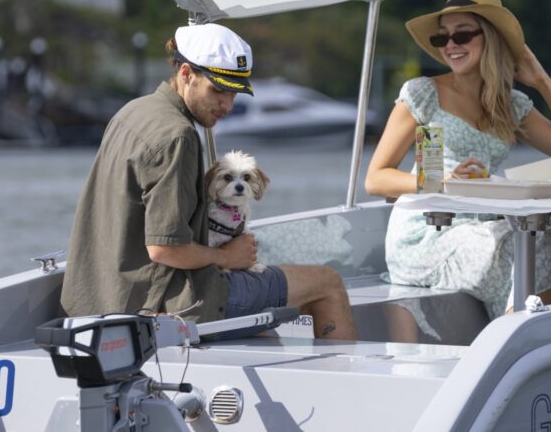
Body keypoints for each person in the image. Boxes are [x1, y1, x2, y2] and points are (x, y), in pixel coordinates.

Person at [61, 23, 357, 340]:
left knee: (265, 327)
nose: (227, 106)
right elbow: (164, 249)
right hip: (165, 305)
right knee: (327, 283)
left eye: (234, 93)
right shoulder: (178, 135)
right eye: (218, 90)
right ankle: (348, 389)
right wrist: (226, 257)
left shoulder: (132, 110)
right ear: (186, 74)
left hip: (99, 298)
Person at [365, 0, 551, 330]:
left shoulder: (510, 104)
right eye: (443, 38)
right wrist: (443, 183)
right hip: (427, 234)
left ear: (490, 38)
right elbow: (376, 179)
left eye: (463, 35)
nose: (451, 46)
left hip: (484, 226)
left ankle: (544, 344)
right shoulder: (423, 93)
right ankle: (508, 347)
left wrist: (543, 80)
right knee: (533, 248)